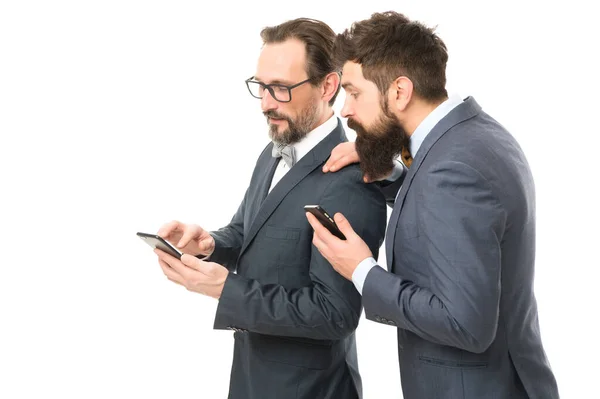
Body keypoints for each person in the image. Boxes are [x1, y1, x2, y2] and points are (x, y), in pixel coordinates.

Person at [306, 11, 559, 399]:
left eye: (354, 93)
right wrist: (393, 178)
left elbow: (465, 324)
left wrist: (361, 270)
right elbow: (454, 215)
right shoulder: (475, 135)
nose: (345, 110)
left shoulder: (452, 169)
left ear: (400, 92)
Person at [153, 18, 387, 399]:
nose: (265, 104)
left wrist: (225, 290)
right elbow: (249, 231)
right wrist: (209, 243)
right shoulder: (274, 149)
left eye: (280, 89)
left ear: (328, 86)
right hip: (250, 381)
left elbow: (335, 314)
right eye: (261, 87)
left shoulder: (349, 179)